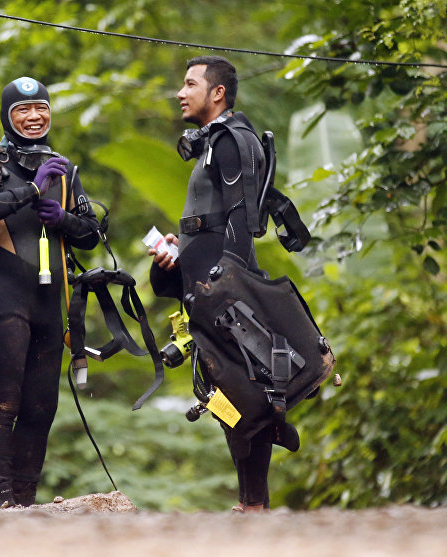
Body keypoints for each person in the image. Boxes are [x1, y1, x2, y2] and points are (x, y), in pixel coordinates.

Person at [148, 56, 297, 513]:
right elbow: (212, 222)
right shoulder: (216, 141)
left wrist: (225, 283)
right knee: (229, 388)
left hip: (223, 287)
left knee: (246, 389)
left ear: (217, 93)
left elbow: (240, 220)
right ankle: (250, 500)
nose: (180, 91)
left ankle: (254, 502)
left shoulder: (232, 139)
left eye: (190, 83)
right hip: (208, 280)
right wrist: (180, 251)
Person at [0, 77, 99, 508]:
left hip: (48, 304)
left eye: (41, 108)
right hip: (0, 298)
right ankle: (0, 503)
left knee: (41, 408)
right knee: (3, 403)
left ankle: (26, 501)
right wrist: (30, 190)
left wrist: (63, 221)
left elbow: (91, 233)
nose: (34, 117)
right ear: (7, 116)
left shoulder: (63, 167)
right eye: (23, 110)